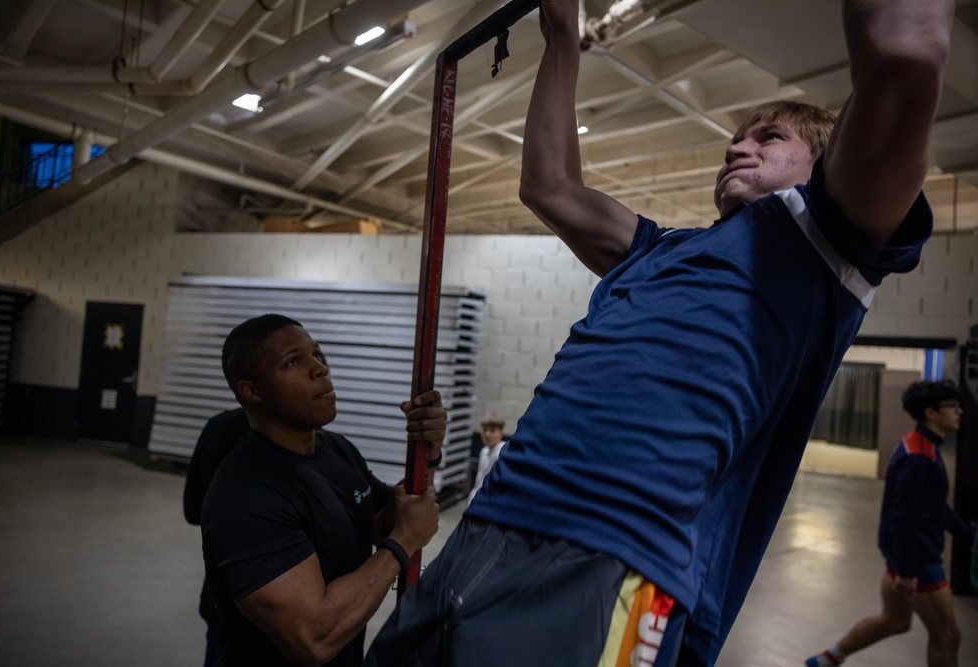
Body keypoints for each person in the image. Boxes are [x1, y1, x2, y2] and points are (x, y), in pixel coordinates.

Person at [365, 1, 954, 665]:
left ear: (822, 166)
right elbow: (550, 185)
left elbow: (903, 60)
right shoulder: (659, 247)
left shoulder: (826, 246)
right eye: (737, 136)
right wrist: (563, 37)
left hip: (616, 553)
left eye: (768, 138)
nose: (739, 145)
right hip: (489, 522)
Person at [200, 313, 445, 667]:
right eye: (294, 361)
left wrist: (430, 451)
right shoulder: (245, 494)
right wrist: (402, 544)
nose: (320, 368)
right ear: (252, 391)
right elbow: (313, 637)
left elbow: (393, 520)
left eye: (317, 354)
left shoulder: (337, 450)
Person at [806, 380, 973, 667]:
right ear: (931, 413)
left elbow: (932, 507)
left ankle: (827, 659)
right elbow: (905, 519)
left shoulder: (920, 446)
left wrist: (969, 535)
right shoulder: (920, 458)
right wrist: (907, 572)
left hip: (906, 560)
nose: (959, 411)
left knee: (894, 622)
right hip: (918, 563)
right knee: (948, 636)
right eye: (952, 406)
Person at [183, 406, 250, 667]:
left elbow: (192, 510)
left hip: (221, 595)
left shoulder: (220, 425)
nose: (321, 374)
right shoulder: (307, 441)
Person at [467, 412, 507, 504]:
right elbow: (479, 481)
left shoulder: (502, 454)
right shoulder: (484, 451)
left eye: (492, 430)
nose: (487, 434)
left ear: (501, 433)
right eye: (485, 430)